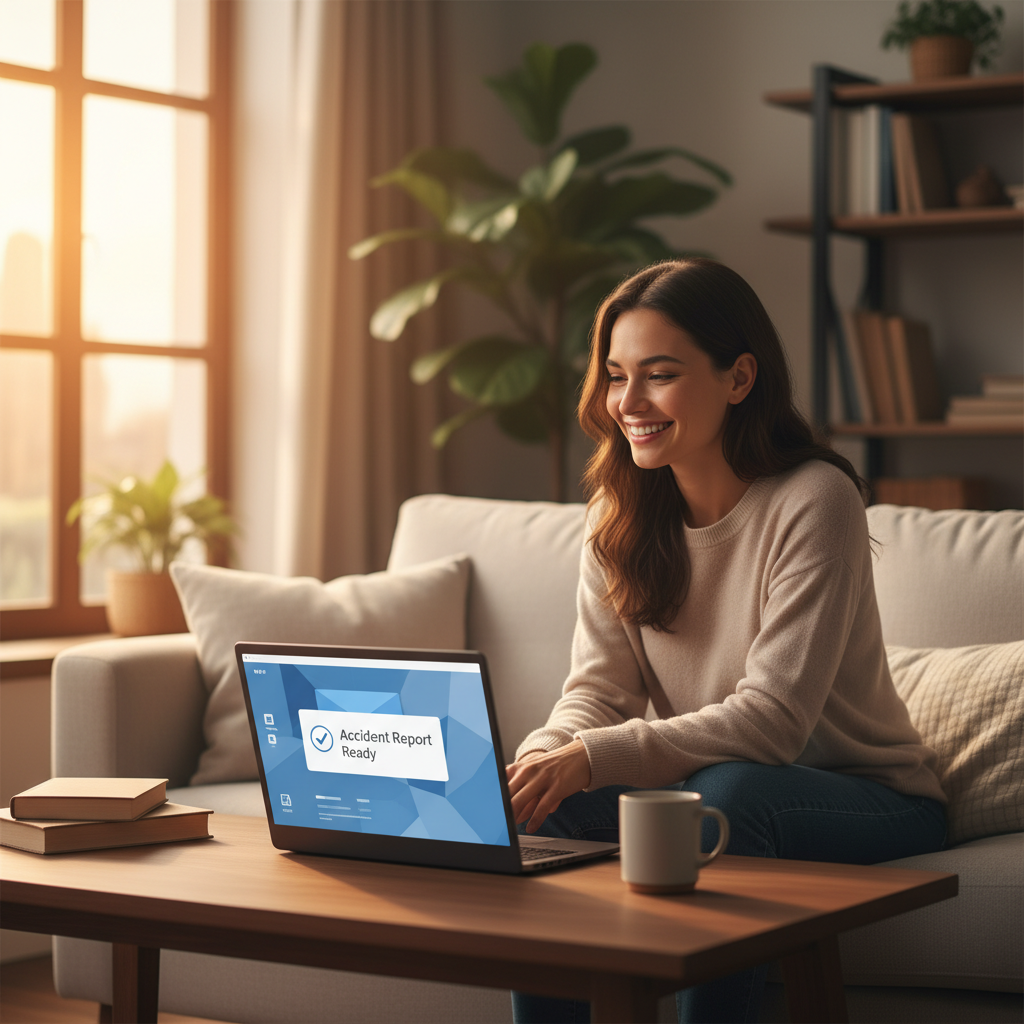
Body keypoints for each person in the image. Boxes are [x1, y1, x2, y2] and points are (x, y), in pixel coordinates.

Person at [506, 259, 946, 1024]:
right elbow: (599, 692)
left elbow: (772, 722)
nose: (628, 403)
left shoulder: (815, 499)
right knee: (547, 811)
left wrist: (593, 758)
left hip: (865, 795)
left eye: (659, 375)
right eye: (615, 376)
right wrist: (545, 760)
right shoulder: (618, 512)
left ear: (739, 378)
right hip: (707, 785)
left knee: (728, 797)